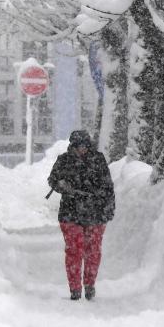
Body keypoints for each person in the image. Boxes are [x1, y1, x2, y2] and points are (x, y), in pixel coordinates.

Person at [47, 129, 115, 301]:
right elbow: (52, 180)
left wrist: (108, 208)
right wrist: (61, 185)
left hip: (95, 212)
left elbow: (108, 187)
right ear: (73, 146)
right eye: (78, 146)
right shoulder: (64, 160)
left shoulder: (98, 160)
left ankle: (90, 284)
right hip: (71, 213)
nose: (82, 149)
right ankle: (75, 289)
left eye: (85, 145)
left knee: (93, 252)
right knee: (74, 251)